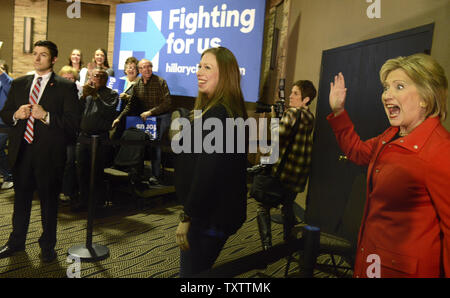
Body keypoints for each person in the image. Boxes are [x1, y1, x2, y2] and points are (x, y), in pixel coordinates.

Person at [327, 53, 449, 278]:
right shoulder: (391, 135)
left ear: (426, 96)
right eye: (386, 88)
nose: (387, 95)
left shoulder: (441, 151)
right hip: (373, 261)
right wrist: (338, 112)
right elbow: (357, 152)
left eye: (399, 86)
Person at [0, 40, 81, 262]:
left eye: (43, 55)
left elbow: (74, 124)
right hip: (22, 153)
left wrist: (46, 116)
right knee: (21, 202)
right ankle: (16, 242)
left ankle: (47, 247)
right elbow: (5, 114)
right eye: (35, 54)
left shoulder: (65, 86)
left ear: (53, 59)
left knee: (48, 204)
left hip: (49, 156)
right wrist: (16, 114)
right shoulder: (19, 84)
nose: (37, 58)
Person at [174, 47, 248, 277]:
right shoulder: (222, 110)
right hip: (214, 213)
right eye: (199, 66)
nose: (199, 72)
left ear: (224, 75)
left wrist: (187, 216)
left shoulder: (219, 114)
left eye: (207, 67)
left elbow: (208, 171)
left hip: (207, 218)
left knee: (192, 277)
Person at [256, 80, 316, 251]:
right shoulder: (310, 117)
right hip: (298, 175)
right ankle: (288, 243)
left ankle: (267, 248)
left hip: (283, 172)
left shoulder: (292, 114)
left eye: (296, 93)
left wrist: (276, 118)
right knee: (288, 206)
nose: (291, 96)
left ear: (306, 99)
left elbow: (277, 139)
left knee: (262, 206)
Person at [112, 58, 171, 184]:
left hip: (161, 116)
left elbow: (167, 103)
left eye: (149, 66)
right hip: (145, 118)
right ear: (139, 70)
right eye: (143, 67)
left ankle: (155, 175)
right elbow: (130, 105)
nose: (147, 69)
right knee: (136, 139)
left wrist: (151, 112)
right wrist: (119, 118)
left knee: (155, 142)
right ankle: (137, 172)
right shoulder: (137, 85)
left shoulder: (160, 82)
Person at [71, 68, 118, 212]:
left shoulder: (112, 94)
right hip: (83, 137)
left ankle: (97, 203)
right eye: (95, 75)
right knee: (81, 170)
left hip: (99, 138)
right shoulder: (88, 93)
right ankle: (83, 201)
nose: (98, 78)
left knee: (96, 171)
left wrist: (96, 96)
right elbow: (77, 112)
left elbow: (108, 112)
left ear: (106, 79)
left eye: (101, 76)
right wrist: (83, 97)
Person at [58, 66, 82, 204]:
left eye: (71, 78)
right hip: (56, 135)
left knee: (69, 163)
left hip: (72, 135)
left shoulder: (79, 95)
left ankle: (66, 191)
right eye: (65, 78)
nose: (68, 80)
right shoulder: (55, 94)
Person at [111, 56, 139, 141]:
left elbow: (141, 100)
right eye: (129, 67)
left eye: (134, 68)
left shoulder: (140, 83)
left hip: (132, 116)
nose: (131, 70)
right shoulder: (119, 81)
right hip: (117, 115)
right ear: (125, 70)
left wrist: (127, 97)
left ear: (137, 70)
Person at [0, 60, 13, 190]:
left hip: (3, 124)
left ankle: (8, 176)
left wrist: (1, 73)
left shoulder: (9, 83)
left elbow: (8, 84)